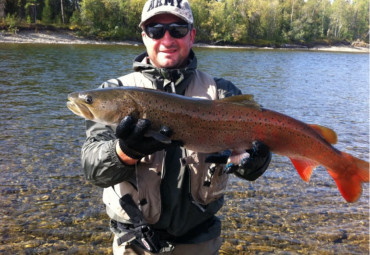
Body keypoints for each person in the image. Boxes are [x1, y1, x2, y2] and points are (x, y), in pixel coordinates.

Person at [81, 0, 272, 254]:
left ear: (191, 35)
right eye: (156, 30)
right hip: (134, 244)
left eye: (178, 30)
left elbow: (247, 167)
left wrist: (256, 164)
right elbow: (93, 170)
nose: (167, 39)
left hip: (199, 242)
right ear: (144, 37)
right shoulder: (112, 91)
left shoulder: (223, 94)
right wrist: (123, 152)